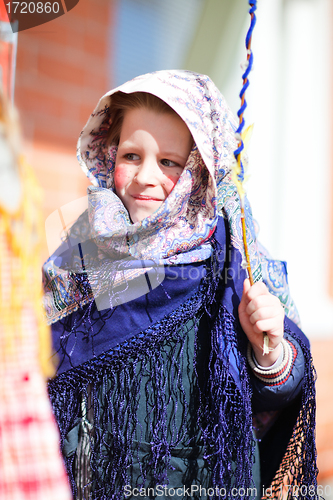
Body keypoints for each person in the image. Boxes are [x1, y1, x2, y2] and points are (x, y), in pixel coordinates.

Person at [44, 70, 317, 500]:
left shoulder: (231, 257)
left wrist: (270, 354)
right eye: (132, 155)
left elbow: (279, 392)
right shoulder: (81, 252)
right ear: (108, 154)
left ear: (200, 172)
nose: (146, 176)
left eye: (169, 162)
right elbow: (42, 365)